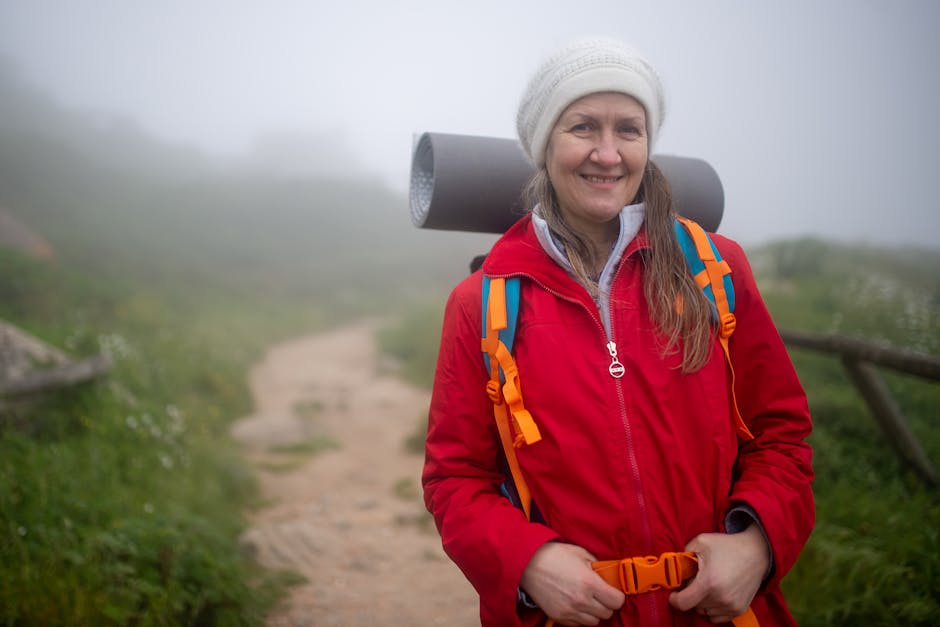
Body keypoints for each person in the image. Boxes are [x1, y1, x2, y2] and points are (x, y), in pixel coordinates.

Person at [422, 37, 814, 627]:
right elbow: (456, 477)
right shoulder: (482, 304)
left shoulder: (715, 271)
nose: (607, 154)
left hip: (716, 613)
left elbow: (782, 436)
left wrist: (755, 544)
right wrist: (528, 563)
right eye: (583, 127)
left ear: (647, 144)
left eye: (628, 130)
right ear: (543, 144)